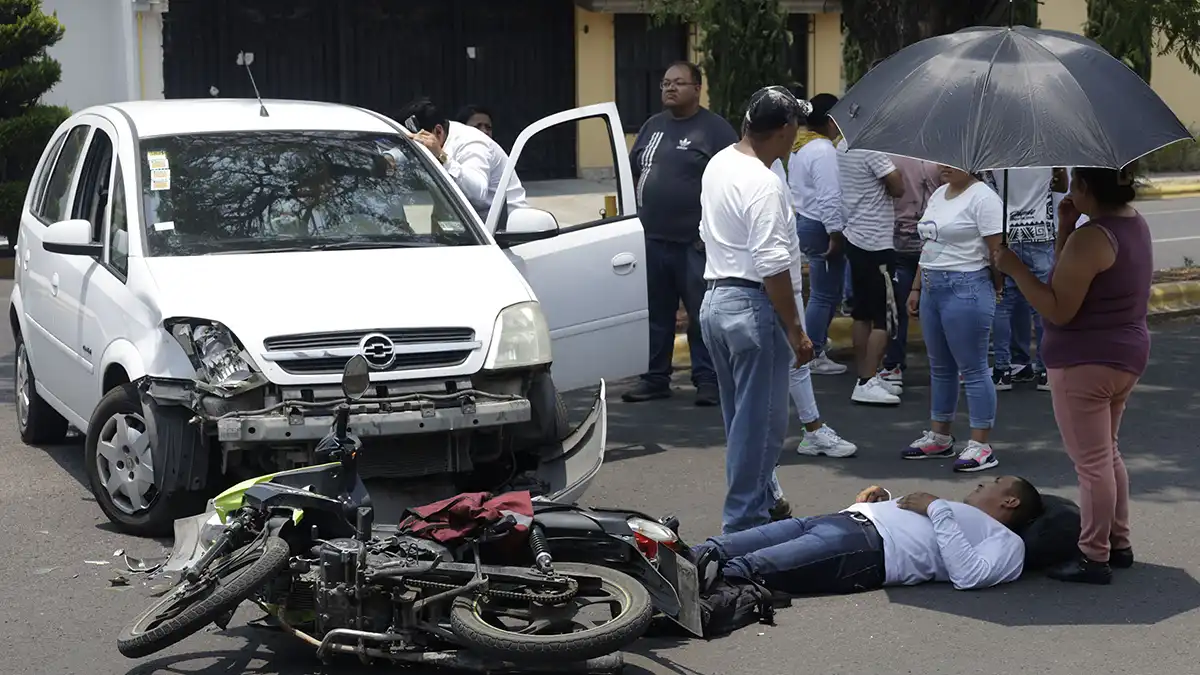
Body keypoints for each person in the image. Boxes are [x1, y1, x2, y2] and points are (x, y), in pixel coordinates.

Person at [992, 167, 1151, 585]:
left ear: (1084, 188)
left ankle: (1093, 556)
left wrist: (1013, 268)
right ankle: (1118, 542)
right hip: (1124, 354)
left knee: (1092, 462)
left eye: (1074, 183)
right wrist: (1064, 228)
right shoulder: (1132, 224)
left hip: (1084, 360)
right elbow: (1069, 278)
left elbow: (1058, 307)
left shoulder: (1092, 238)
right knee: (1107, 453)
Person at [698, 85, 811, 535]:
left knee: (743, 419)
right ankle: (743, 525)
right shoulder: (764, 182)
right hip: (750, 303)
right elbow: (771, 264)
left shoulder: (720, 163)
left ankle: (763, 502)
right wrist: (796, 329)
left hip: (717, 300)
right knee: (761, 426)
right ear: (783, 131)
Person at [693, 476, 1043, 599]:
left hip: (867, 548)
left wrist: (937, 508)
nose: (983, 484)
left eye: (995, 483)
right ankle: (644, 564)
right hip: (842, 520)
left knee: (742, 568)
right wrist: (880, 500)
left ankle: (651, 608)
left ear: (1010, 501)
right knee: (717, 549)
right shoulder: (957, 513)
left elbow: (970, 575)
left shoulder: (1008, 543)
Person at [623, 61, 740, 407]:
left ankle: (708, 380)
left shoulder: (715, 130)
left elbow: (731, 182)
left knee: (701, 315)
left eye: (678, 83)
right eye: (665, 83)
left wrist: (713, 233)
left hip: (695, 243)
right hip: (652, 240)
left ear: (697, 88)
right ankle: (655, 378)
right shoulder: (652, 127)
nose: (670, 88)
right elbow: (632, 172)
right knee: (657, 315)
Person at [905, 166, 1004, 472]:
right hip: (934, 286)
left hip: (967, 285)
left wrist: (998, 286)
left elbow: (996, 251)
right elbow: (930, 244)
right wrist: (917, 286)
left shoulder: (984, 198)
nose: (943, 166)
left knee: (973, 368)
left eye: (953, 160)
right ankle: (940, 435)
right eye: (941, 160)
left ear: (973, 163)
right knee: (940, 366)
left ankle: (980, 444)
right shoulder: (939, 193)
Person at [836, 126, 906, 405]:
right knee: (884, 317)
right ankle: (866, 380)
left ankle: (866, 376)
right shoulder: (872, 149)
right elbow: (898, 186)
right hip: (876, 243)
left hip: (855, 236)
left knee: (862, 314)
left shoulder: (843, 143)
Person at [985, 168, 1068, 391]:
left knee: (1003, 302)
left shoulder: (994, 158)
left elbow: (987, 191)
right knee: (1042, 306)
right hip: (1039, 232)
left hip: (1006, 232)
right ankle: (1045, 370)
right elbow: (1062, 186)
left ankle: (1003, 370)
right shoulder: (1045, 154)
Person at [788, 93, 849, 376]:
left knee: (824, 290)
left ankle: (816, 340)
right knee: (824, 294)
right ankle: (813, 352)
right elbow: (829, 197)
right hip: (821, 224)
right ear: (829, 120)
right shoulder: (824, 150)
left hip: (806, 220)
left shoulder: (800, 146)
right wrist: (835, 233)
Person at [397, 97, 529, 223]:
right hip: (461, 227)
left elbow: (477, 193)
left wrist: (441, 156)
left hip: (505, 231)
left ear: (438, 131)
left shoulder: (472, 142)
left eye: (421, 143)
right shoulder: (443, 136)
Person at [878, 156, 944, 389]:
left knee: (897, 307)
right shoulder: (944, 157)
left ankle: (894, 364)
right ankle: (954, 366)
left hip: (903, 240)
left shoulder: (889, 156)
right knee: (941, 307)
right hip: (931, 242)